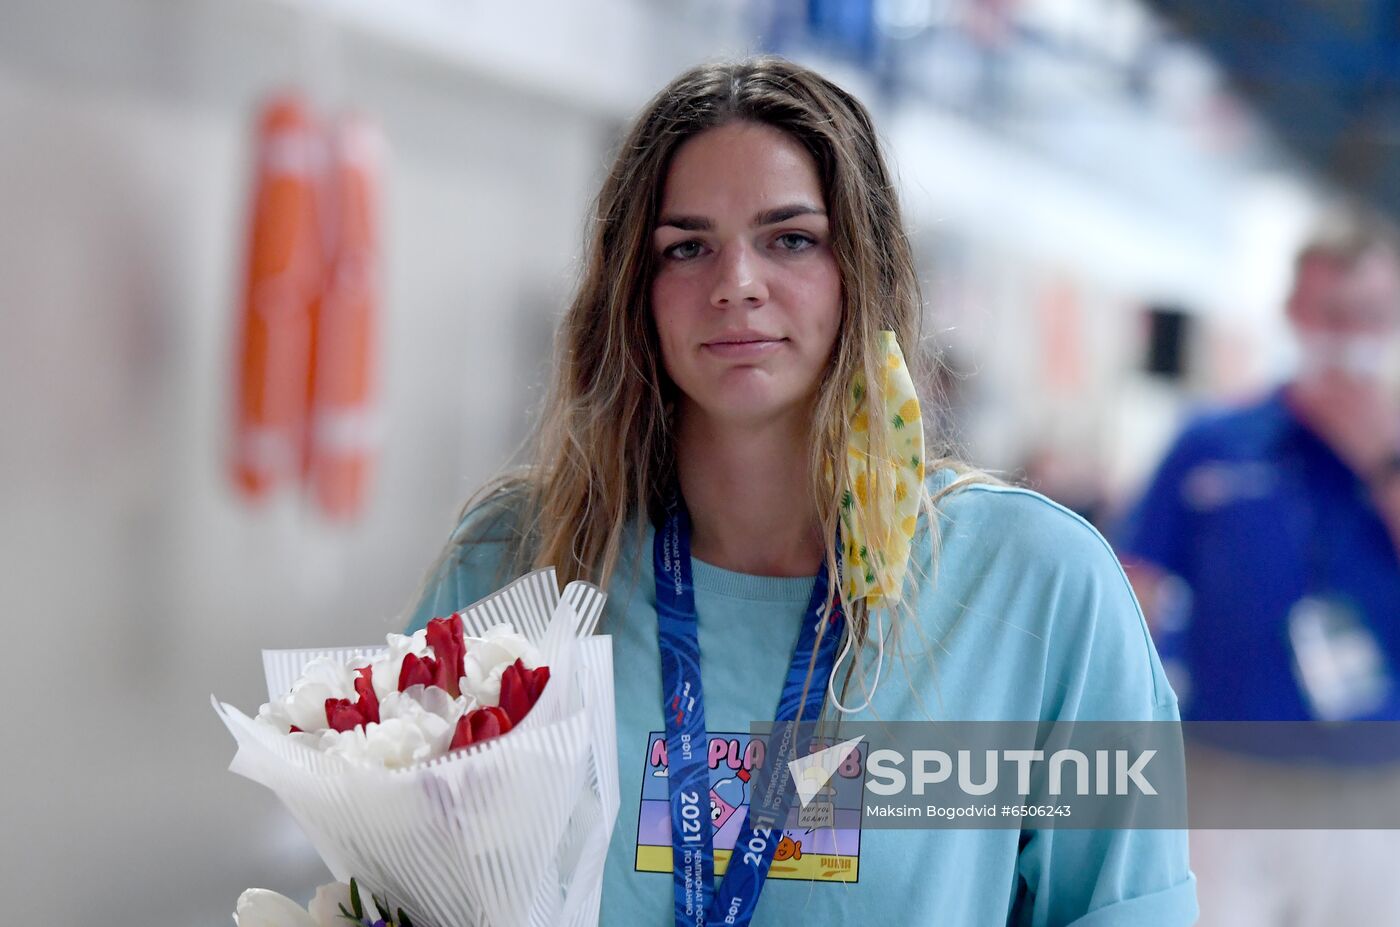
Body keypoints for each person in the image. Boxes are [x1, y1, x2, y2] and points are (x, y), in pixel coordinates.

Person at [405, 55, 1196, 925]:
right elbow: (397, 884)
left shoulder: (1035, 588)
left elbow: (1123, 906)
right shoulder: (521, 559)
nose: (736, 282)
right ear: (636, 290)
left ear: (862, 269)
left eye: (791, 239)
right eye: (687, 247)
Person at [1115, 209, 1400, 924]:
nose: (1347, 334)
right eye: (1329, 312)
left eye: (1367, 314)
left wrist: (1381, 459)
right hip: (1225, 769)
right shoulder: (1213, 440)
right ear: (1293, 313)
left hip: (1373, 781)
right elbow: (1132, 587)